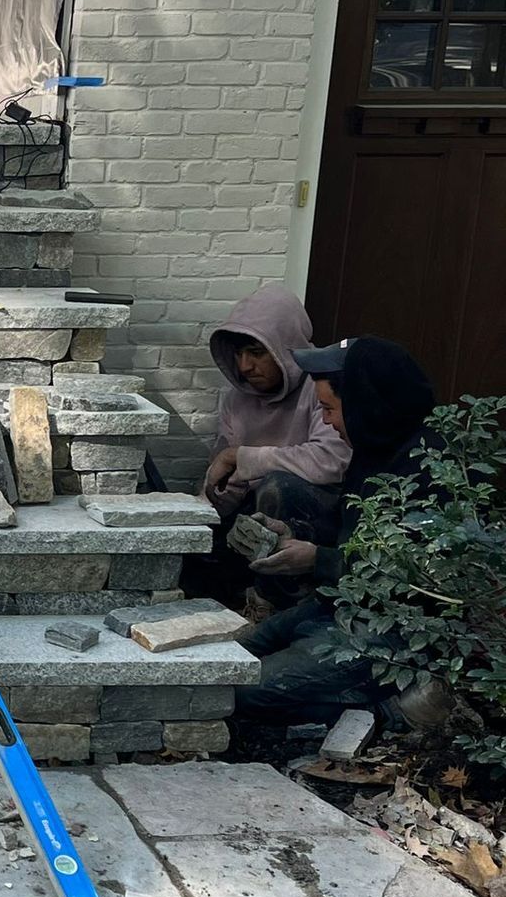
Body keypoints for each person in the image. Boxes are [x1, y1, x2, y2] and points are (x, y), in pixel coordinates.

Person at [231, 336, 439, 731]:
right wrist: (290, 534)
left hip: (392, 632)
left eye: (329, 409)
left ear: (364, 406)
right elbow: (352, 533)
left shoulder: (429, 471)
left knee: (241, 692)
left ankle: (393, 711)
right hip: (337, 606)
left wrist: (317, 559)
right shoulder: (374, 448)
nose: (326, 422)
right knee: (224, 661)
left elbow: (411, 575)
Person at [187, 287, 353, 609]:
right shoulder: (237, 399)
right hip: (256, 515)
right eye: (238, 355)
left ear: (286, 346)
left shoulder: (321, 385)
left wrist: (243, 458)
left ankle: (270, 604)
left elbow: (333, 460)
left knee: (280, 486)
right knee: (197, 551)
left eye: (256, 352)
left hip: (320, 517)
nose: (245, 366)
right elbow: (225, 472)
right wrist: (220, 491)